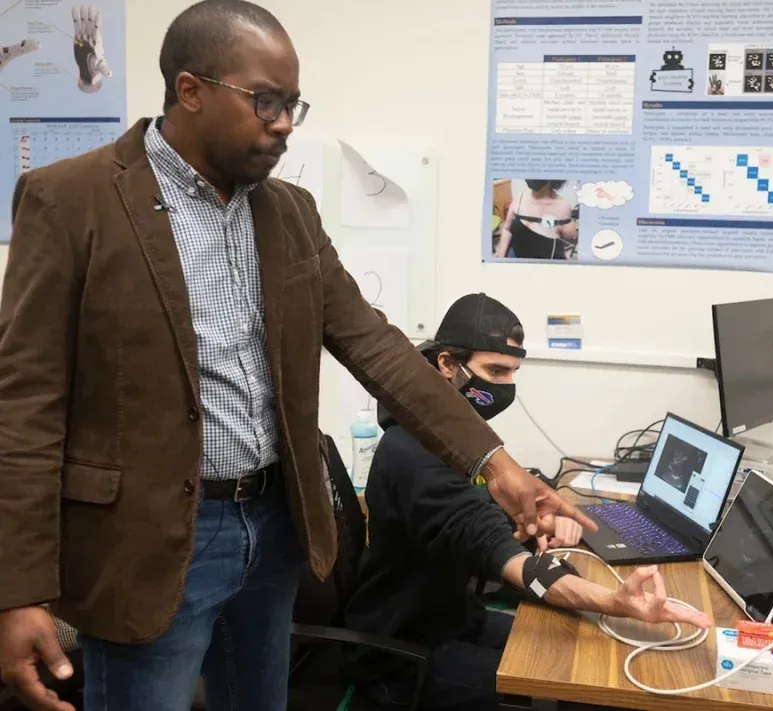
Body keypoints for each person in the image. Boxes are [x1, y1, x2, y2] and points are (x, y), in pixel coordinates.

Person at [0, 3, 596, 710]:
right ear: (191, 90)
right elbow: (25, 409)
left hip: (274, 526)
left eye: (292, 105)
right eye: (267, 101)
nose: (283, 122)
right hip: (147, 544)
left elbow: (380, 350)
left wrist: (498, 469)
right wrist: (18, 589)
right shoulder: (72, 200)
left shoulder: (289, 213)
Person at [343, 294, 712, 710]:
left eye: (512, 372)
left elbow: (481, 513)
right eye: (494, 371)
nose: (504, 386)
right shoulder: (412, 453)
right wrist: (613, 601)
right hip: (403, 655)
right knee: (576, 678)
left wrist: (529, 520)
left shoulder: (460, 441)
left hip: (456, 618)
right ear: (446, 365)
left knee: (590, 644)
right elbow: (489, 545)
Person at [496, 179, 577, 260]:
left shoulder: (562, 207)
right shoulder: (519, 198)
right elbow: (507, 229)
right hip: (515, 255)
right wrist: (500, 257)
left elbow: (570, 241)